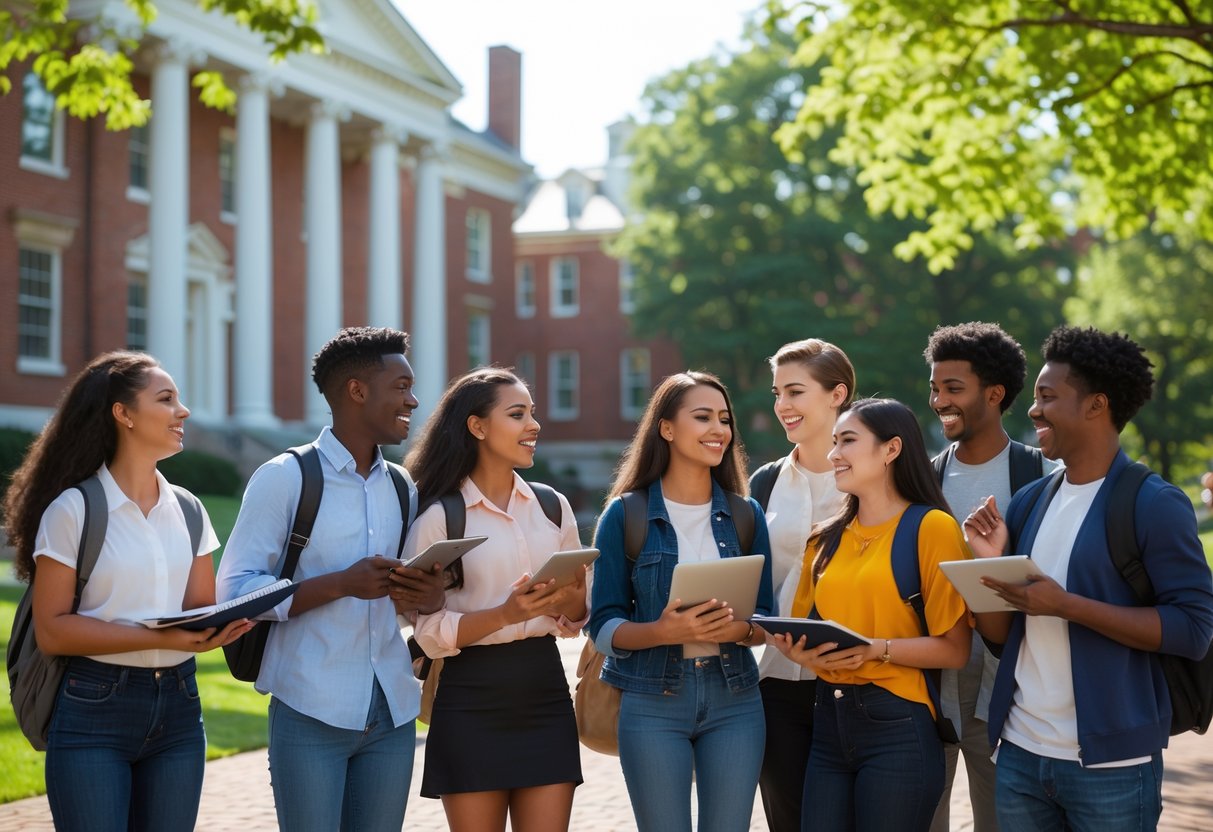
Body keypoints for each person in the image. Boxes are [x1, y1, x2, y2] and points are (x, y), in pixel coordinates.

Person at [964, 326, 1213, 832]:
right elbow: (1003, 638)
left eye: (1047, 397)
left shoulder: (1153, 503)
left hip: (1112, 766)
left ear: (1096, 405)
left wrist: (1068, 605)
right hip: (1020, 753)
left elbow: (1194, 630)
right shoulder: (1033, 500)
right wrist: (987, 569)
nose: (1032, 411)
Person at [1, 351, 252, 831]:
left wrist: (234, 618)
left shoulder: (190, 509)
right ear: (123, 414)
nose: (184, 411)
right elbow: (54, 632)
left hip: (180, 709)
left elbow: (198, 609)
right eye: (166, 399)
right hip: (93, 706)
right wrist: (160, 638)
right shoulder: (73, 510)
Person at [216, 327, 445, 831]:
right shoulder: (284, 477)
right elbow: (233, 593)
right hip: (309, 708)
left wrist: (425, 595)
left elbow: (401, 600)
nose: (413, 399)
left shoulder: (403, 487)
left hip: (392, 713)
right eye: (401, 386)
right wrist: (339, 584)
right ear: (357, 391)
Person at [768, 398, 971, 832]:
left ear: (891, 449)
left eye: (848, 441)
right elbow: (804, 629)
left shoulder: (932, 528)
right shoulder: (823, 540)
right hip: (826, 721)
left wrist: (873, 651)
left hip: (898, 725)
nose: (833, 453)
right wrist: (804, 655)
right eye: (835, 441)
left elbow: (954, 650)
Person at [589, 371, 774, 832]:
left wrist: (742, 631)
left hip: (735, 698)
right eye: (703, 417)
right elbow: (602, 623)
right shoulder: (625, 514)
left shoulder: (745, 515)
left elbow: (767, 613)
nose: (719, 429)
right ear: (667, 428)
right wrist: (661, 632)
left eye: (725, 419)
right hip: (652, 701)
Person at [404, 367, 587, 832]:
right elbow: (428, 634)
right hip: (470, 698)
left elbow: (575, 616)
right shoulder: (439, 516)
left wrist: (571, 601)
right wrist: (507, 613)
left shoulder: (552, 506)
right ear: (477, 426)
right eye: (517, 414)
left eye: (533, 413)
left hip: (545, 690)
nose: (534, 425)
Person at [924, 322, 1051, 832]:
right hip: (927, 687)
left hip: (1008, 694)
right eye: (934, 388)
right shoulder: (920, 478)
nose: (938, 400)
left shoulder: (1039, 475)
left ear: (995, 394)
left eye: (953, 388)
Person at [752, 338, 855, 832]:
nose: (782, 406)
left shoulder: (876, 476)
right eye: (777, 393)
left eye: (795, 391)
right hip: (776, 682)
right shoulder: (765, 484)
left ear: (838, 394)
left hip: (857, 680)